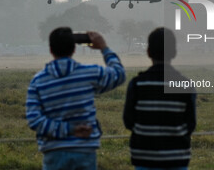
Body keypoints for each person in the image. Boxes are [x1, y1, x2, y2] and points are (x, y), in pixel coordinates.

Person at [26, 27, 126, 170]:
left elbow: (34, 120)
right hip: (84, 150)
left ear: (50, 50)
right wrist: (104, 47)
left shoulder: (38, 81)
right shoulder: (89, 73)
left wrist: (68, 129)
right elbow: (119, 74)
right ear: (74, 49)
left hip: (53, 152)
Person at [123, 27, 196, 170]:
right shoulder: (185, 85)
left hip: (144, 158)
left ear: (148, 52)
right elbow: (190, 124)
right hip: (176, 158)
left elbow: (128, 121)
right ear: (174, 53)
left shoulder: (137, 84)